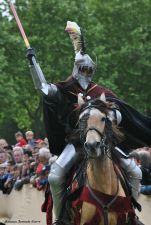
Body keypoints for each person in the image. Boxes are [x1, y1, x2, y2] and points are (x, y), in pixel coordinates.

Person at [26, 21, 151, 224]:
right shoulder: (65, 89)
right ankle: (62, 218)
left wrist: (110, 114)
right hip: (76, 143)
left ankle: (131, 214)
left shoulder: (103, 93)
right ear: (76, 69)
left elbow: (119, 113)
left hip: (104, 143)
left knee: (135, 171)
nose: (85, 73)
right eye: (81, 68)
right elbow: (43, 88)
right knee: (55, 175)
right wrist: (33, 63)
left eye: (88, 69)